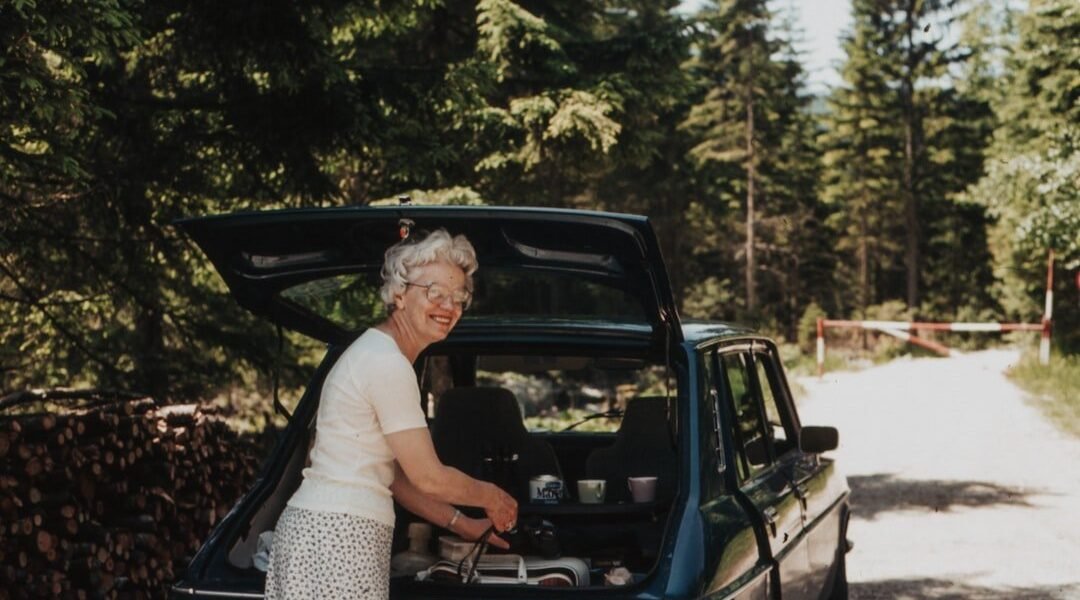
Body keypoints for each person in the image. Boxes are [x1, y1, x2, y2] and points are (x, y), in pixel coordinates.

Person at [265, 228, 518, 599]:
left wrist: (462, 523)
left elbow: (396, 478)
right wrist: (492, 496)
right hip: (337, 537)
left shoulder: (380, 354)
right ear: (399, 293)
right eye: (435, 292)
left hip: (326, 534)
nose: (448, 306)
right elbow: (429, 477)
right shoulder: (386, 362)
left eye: (458, 296)